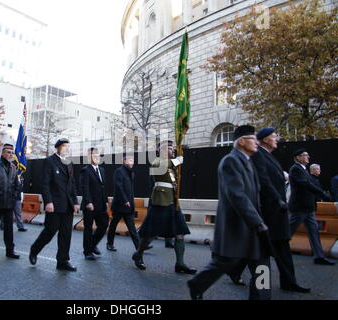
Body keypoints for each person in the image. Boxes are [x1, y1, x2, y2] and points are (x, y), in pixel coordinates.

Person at [187, 125, 271, 300]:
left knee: (261, 266)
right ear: (241, 141)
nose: (257, 142)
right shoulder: (230, 161)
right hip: (237, 223)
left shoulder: (249, 161)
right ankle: (197, 284)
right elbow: (237, 195)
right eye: (253, 139)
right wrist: (257, 222)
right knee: (226, 261)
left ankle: (262, 297)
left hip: (251, 224)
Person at [227, 128, 310, 293]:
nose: (277, 138)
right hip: (267, 210)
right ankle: (252, 284)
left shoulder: (268, 155)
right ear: (264, 139)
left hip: (276, 210)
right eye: (274, 136)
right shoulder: (257, 154)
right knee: (263, 251)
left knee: (281, 246)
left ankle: (288, 281)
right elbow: (263, 181)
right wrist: (277, 200)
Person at [132, 140, 196, 274]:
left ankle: (180, 263)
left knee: (180, 233)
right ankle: (138, 255)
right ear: (161, 150)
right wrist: (177, 161)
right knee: (150, 234)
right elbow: (159, 167)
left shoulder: (171, 166)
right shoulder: (157, 162)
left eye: (173, 149)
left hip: (173, 203)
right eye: (169, 149)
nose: (172, 151)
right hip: (160, 203)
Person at [29, 138, 80, 271]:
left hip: (67, 204)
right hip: (54, 204)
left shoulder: (68, 162)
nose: (66, 148)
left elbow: (72, 184)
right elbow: (45, 183)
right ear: (57, 147)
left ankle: (62, 261)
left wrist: (75, 202)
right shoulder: (49, 161)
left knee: (66, 233)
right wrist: (48, 201)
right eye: (64, 146)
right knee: (50, 231)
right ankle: (34, 250)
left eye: (68, 146)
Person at [288, 149, 334, 265]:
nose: (308, 157)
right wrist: (322, 194)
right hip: (299, 207)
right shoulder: (296, 169)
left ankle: (319, 256)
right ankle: (272, 249)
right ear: (298, 157)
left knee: (314, 232)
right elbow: (306, 184)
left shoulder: (303, 170)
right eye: (305, 155)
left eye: (308, 155)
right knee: (288, 231)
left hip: (308, 208)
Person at [107, 155, 151, 252]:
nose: (132, 162)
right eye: (130, 160)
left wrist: (130, 202)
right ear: (124, 161)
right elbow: (118, 187)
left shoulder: (131, 173)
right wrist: (125, 200)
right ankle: (109, 244)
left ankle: (139, 247)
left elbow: (129, 190)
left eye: (133, 160)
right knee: (113, 225)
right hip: (119, 205)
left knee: (132, 228)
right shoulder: (119, 171)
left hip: (129, 206)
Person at [80, 147, 109, 260]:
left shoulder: (102, 170)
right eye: (93, 155)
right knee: (88, 228)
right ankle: (87, 251)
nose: (96, 156)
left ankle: (92, 244)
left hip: (101, 204)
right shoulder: (85, 170)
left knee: (103, 225)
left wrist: (106, 201)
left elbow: (103, 187)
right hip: (90, 205)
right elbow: (84, 187)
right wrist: (88, 202)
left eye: (97, 154)